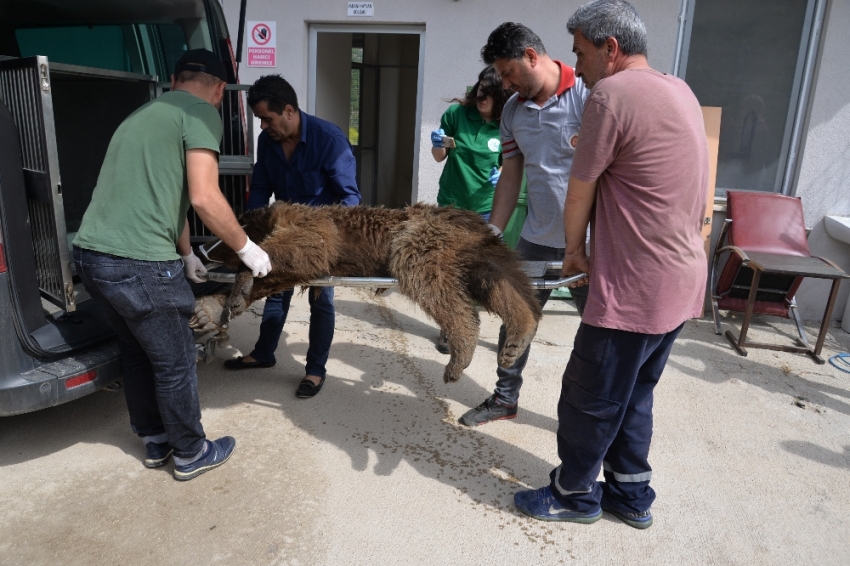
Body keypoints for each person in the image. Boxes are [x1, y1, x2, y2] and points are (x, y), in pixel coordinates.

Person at [513, 0, 709, 528]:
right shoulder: (680, 89)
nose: (579, 65)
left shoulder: (611, 95)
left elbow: (580, 190)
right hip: (682, 277)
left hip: (635, 283)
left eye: (581, 52)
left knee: (590, 394)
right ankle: (630, 492)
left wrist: (573, 250)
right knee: (634, 392)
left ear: (610, 48)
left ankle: (573, 494)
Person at [73, 49, 272, 481]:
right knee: (176, 360)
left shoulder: (143, 115)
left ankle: (155, 439)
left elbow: (172, 197)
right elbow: (203, 196)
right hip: (139, 261)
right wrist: (247, 248)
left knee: (137, 349)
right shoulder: (201, 113)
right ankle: (190, 451)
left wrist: (185, 254)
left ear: (173, 79)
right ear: (219, 88)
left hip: (91, 256)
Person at [458, 23, 589, 427]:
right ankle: (505, 396)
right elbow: (511, 175)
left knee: (600, 334)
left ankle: (590, 415)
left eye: (510, 73)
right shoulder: (514, 111)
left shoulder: (587, 96)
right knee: (517, 319)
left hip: (589, 245)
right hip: (537, 237)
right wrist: (493, 232)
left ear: (532, 56)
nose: (507, 84)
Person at [223, 74, 361, 399]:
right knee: (273, 288)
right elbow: (260, 188)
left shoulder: (330, 140)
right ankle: (264, 352)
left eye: (266, 118)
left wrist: (333, 247)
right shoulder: (266, 141)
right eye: (259, 119)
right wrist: (251, 236)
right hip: (282, 233)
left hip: (320, 240)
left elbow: (350, 201)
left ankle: (315, 370)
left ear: (288, 110)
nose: (262, 126)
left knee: (320, 299)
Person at [430, 65, 510, 354]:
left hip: (486, 208)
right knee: (448, 266)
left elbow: (509, 163)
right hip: (452, 204)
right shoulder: (456, 115)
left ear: (500, 97)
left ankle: (469, 318)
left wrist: (500, 173)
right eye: (479, 91)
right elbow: (439, 157)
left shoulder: (505, 123)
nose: (481, 97)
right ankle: (449, 325)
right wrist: (438, 145)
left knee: (477, 268)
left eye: (488, 94)